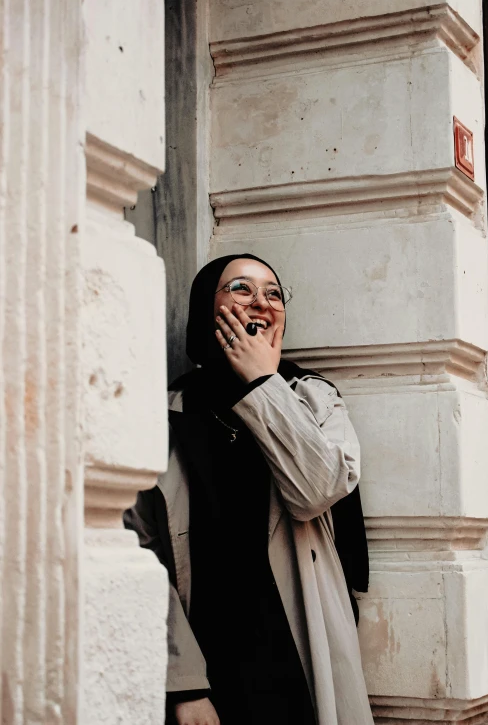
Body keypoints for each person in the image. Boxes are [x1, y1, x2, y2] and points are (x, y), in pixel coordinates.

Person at [124, 254, 374, 725]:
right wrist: (183, 685)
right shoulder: (161, 418)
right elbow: (141, 557)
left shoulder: (314, 398)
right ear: (205, 309)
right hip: (209, 662)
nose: (261, 301)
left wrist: (262, 381)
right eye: (240, 288)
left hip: (298, 656)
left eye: (274, 293)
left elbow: (316, 490)